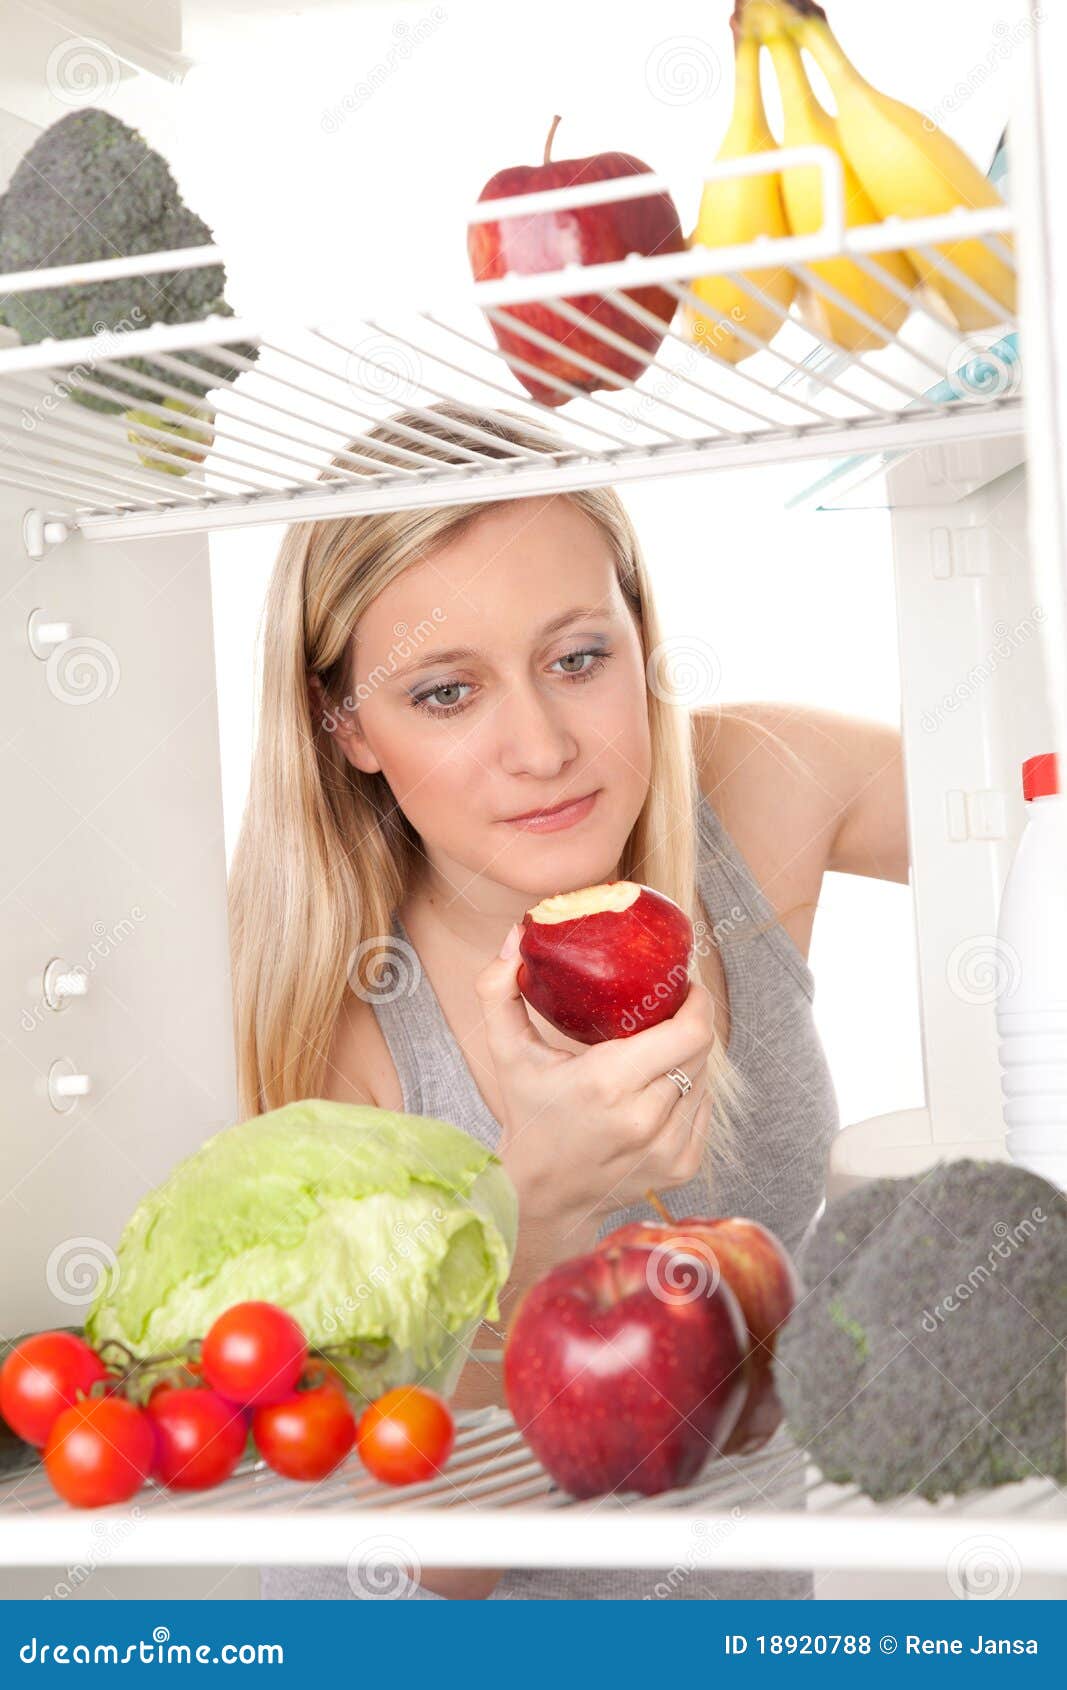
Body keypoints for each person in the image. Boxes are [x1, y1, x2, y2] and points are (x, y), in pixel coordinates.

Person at [228, 398, 908, 1600]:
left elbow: (1018, 792)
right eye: (445, 692)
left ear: (641, 637)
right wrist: (533, 1215)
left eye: (576, 658)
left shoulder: (756, 790)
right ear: (347, 728)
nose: (540, 747)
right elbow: (426, 1564)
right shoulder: (348, 1031)